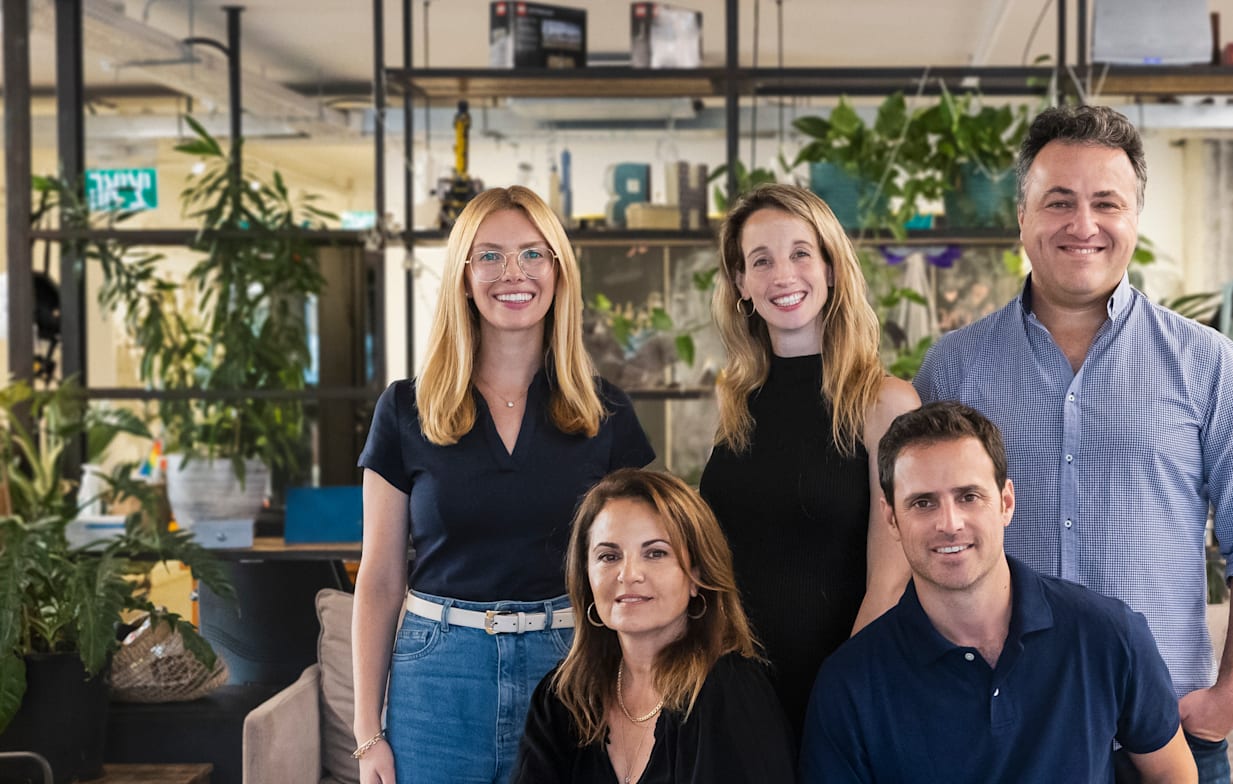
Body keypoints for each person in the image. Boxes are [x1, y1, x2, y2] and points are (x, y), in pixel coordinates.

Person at [913, 105, 1233, 783]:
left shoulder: (1206, 364)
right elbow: (914, 536)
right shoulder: (954, 369)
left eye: (1106, 203)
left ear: (1134, 219)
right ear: (1023, 218)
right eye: (1058, 201)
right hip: (1001, 733)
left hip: (1164, 734)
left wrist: (1232, 696)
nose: (1082, 225)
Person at [353, 186, 656, 784]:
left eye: (532, 254)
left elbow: (640, 570)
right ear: (463, 277)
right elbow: (380, 576)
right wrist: (368, 736)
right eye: (489, 256)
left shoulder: (608, 414)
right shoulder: (404, 411)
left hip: (571, 666)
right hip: (437, 675)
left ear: (558, 272)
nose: (512, 273)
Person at [801, 402, 1196, 783]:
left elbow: (1171, 773)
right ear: (891, 518)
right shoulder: (849, 685)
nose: (949, 523)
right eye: (923, 503)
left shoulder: (1108, 635)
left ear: (1006, 502)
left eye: (968, 496)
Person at [698, 184, 920, 730]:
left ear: (831, 269)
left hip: (842, 689)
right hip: (736, 688)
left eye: (800, 253)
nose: (783, 275)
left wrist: (840, 694)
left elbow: (889, 583)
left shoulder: (884, 403)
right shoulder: (736, 402)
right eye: (761, 260)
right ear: (741, 285)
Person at [516, 469, 796, 784]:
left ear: (696, 576)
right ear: (586, 579)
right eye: (609, 556)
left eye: (655, 553)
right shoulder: (561, 699)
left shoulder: (729, 693)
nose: (628, 574)